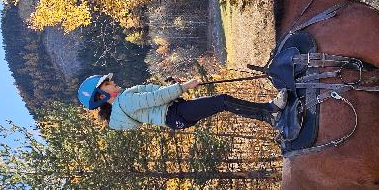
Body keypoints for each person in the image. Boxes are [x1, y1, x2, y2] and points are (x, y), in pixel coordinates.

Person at [78, 73, 288, 131]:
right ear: (101, 97)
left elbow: (155, 96)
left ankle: (270, 112)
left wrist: (169, 85)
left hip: (175, 114)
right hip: (175, 114)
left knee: (221, 102)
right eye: (107, 83)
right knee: (222, 101)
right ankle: (270, 113)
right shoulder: (124, 103)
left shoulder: (122, 105)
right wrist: (185, 86)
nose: (112, 82)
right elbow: (157, 98)